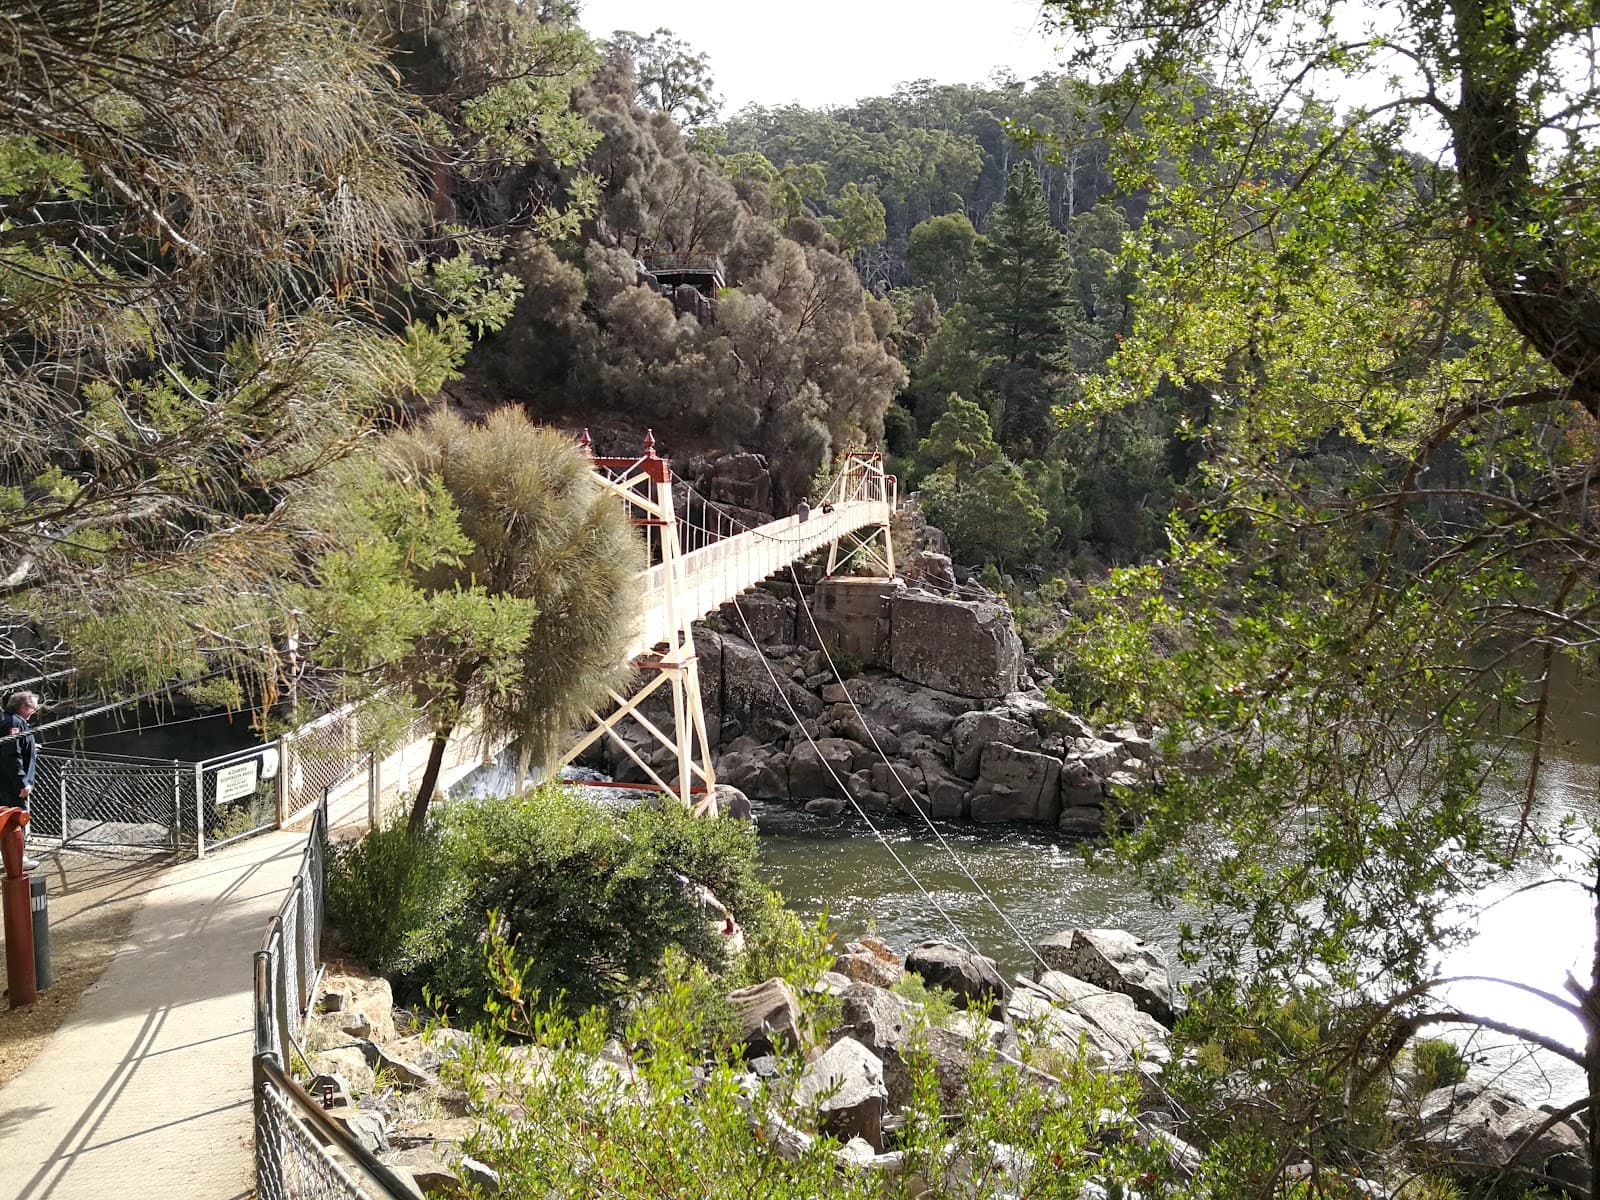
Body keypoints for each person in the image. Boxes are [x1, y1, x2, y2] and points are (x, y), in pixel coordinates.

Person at [0, 691, 40, 871]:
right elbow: (11, 755)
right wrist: (22, 782)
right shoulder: (14, 723)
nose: (34, 712)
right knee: (16, 819)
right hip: (11, 784)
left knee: (6, 819)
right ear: (24, 707)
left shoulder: (10, 720)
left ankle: (11, 855)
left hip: (5, 782)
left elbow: (15, 747)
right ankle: (17, 858)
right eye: (33, 708)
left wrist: (31, 747)